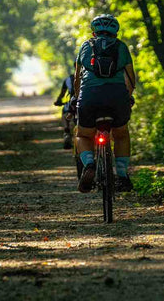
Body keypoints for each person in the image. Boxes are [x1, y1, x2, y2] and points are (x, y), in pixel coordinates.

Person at [73, 14, 137, 193]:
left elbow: (78, 78)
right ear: (115, 32)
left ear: (94, 32)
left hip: (90, 97)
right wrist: (127, 97)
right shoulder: (121, 47)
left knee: (83, 135)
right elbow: (131, 79)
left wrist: (78, 98)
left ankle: (89, 164)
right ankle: (123, 176)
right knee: (121, 134)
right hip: (116, 97)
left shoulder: (86, 46)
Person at [53, 71, 75, 149]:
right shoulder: (90, 76)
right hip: (86, 103)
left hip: (72, 104)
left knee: (65, 112)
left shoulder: (68, 79)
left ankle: (67, 131)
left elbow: (62, 94)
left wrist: (58, 101)